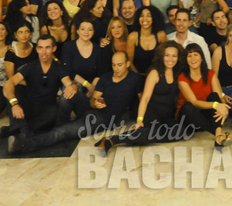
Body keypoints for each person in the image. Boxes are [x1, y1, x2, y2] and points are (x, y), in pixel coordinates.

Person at [8, 51, 144, 154]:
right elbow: (92, 101)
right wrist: (95, 102)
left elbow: (143, 99)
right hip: (90, 109)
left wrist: (140, 120)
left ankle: (24, 145)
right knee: (68, 93)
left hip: (102, 119)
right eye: (113, 65)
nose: (116, 68)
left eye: (120, 65)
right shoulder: (106, 78)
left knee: (62, 132)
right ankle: (59, 124)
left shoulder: (135, 79)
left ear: (127, 64)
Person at [94, 41, 185, 155]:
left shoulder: (178, 73)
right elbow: (145, 98)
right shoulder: (155, 73)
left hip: (167, 115)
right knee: (152, 133)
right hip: (151, 113)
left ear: (178, 57)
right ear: (162, 56)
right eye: (167, 55)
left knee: (179, 132)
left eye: (174, 55)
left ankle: (139, 134)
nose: (170, 59)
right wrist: (139, 120)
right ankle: (111, 140)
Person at [1, 35, 77, 138]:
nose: (43, 52)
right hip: (28, 106)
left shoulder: (59, 68)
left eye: (47, 47)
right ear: (37, 49)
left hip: (46, 109)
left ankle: (19, 129)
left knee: (56, 111)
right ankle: (24, 131)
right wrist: (14, 104)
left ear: (54, 49)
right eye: (40, 48)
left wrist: (73, 87)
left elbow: (69, 83)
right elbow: (8, 84)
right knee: (15, 89)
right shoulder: (30, 66)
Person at [176, 43, 232, 148]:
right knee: (188, 106)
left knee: (214, 96)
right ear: (186, 60)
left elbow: (218, 96)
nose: (193, 58)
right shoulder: (182, 78)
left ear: (202, 58)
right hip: (188, 120)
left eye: (196, 55)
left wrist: (224, 108)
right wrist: (216, 105)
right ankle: (220, 134)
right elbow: (194, 103)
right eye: (189, 56)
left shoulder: (210, 74)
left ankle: (218, 134)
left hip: (204, 118)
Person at [58, 20, 103, 126]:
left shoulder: (97, 48)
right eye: (83, 29)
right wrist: (86, 84)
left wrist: (91, 90)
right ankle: (60, 125)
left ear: (93, 32)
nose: (86, 32)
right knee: (67, 95)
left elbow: (100, 72)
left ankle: (82, 120)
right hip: (74, 81)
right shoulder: (68, 46)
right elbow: (67, 70)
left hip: (92, 84)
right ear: (77, 31)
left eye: (89, 29)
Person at [127, 5, 168, 76]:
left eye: (149, 16)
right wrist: (139, 77)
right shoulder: (132, 37)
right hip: (137, 76)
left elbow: (165, 58)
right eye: (141, 16)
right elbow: (129, 62)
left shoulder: (161, 35)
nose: (144, 19)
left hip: (157, 76)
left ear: (154, 18)